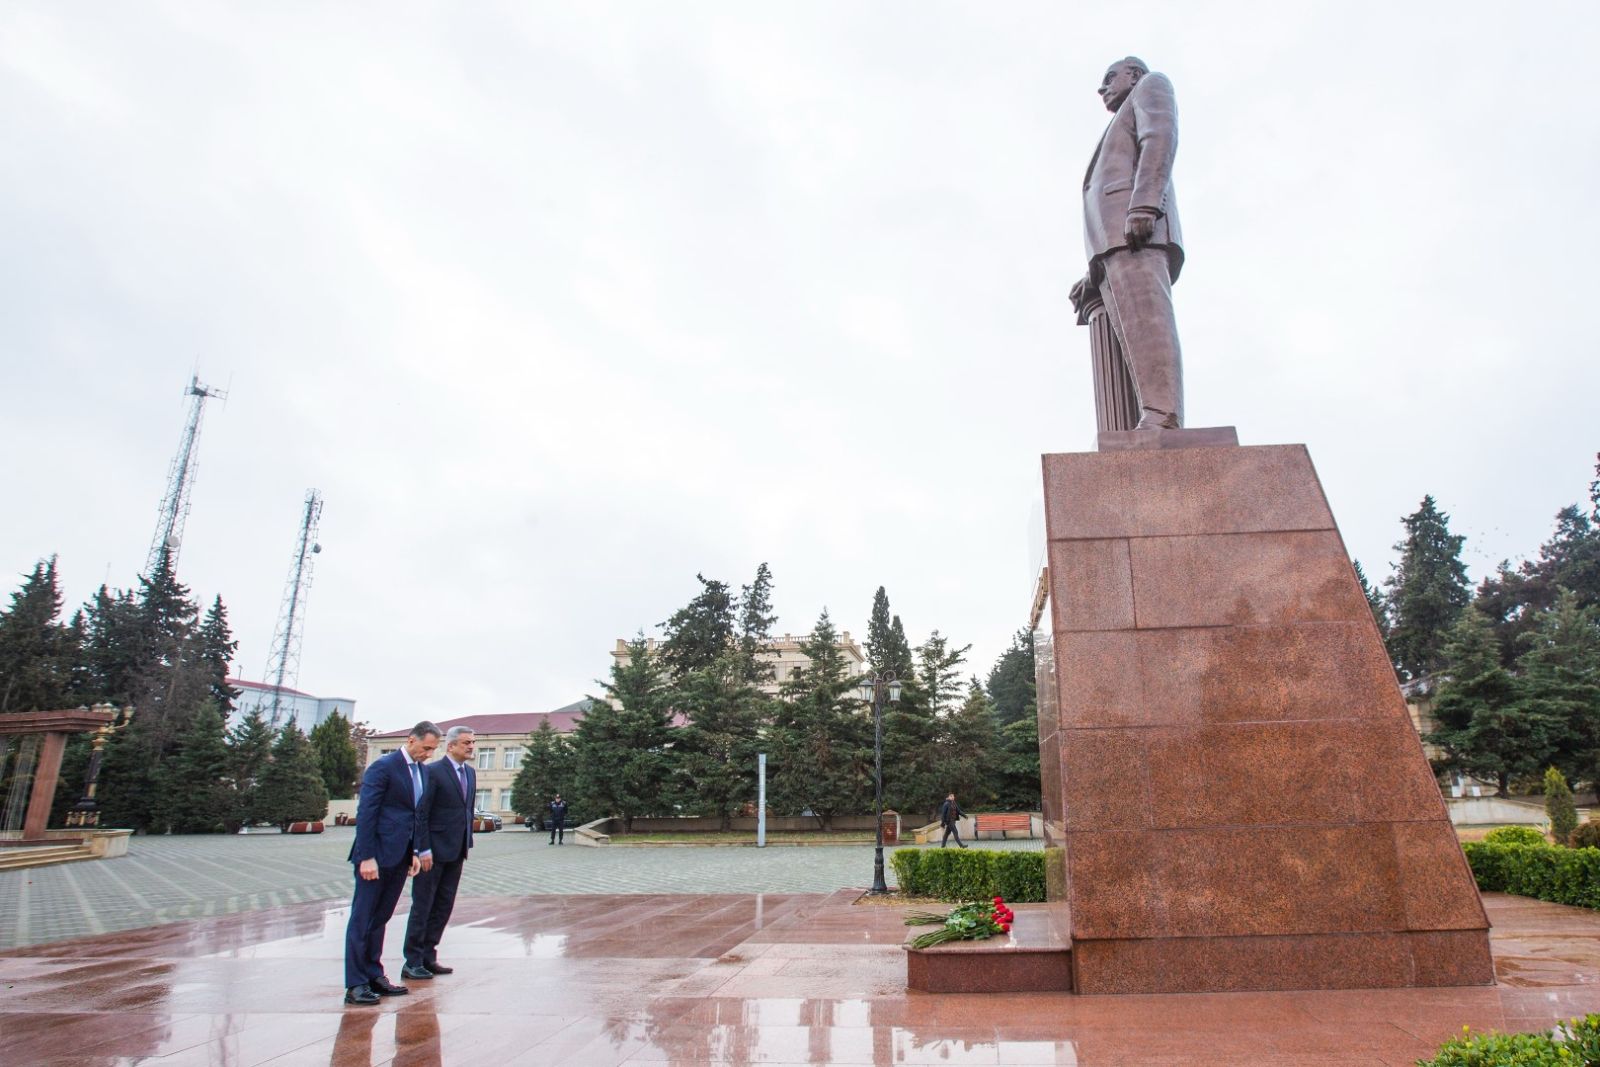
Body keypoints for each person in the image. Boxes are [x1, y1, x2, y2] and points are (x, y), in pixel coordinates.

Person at [1069, 56, 1186, 431]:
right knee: (1132, 328)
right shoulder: (1119, 118)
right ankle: (1151, 415)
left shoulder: (1151, 86)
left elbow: (1159, 139)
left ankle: (1162, 414)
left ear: (1134, 75)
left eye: (1109, 78)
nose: (1101, 88)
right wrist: (1093, 273)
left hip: (1135, 229)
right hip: (1114, 242)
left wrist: (1145, 204)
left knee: (1148, 323)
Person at [343, 720, 438, 1006]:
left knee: (381, 918)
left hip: (400, 856)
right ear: (411, 740)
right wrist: (366, 856)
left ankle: (374, 974)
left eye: (432, 750)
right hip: (375, 857)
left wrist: (414, 852)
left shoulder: (422, 772)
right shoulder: (384, 767)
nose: (428, 754)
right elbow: (367, 813)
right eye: (425, 748)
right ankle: (355, 983)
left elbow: (416, 815)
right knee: (363, 919)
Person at [403, 725, 476, 980]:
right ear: (451, 745)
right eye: (466, 742)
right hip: (431, 853)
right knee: (423, 905)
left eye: (473, 743)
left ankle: (428, 955)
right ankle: (412, 961)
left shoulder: (470, 773)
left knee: (444, 905)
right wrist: (422, 848)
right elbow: (421, 813)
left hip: (457, 850)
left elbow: (466, 811)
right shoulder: (432, 772)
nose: (471, 747)